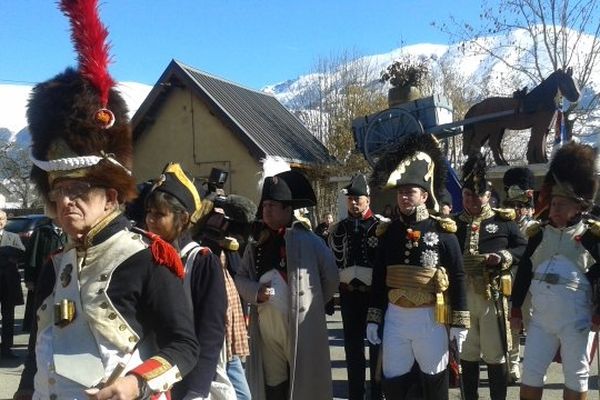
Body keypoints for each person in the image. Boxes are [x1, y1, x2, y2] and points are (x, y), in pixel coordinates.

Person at [13, 2, 199, 398]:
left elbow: (184, 346)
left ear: (111, 195)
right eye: (59, 191)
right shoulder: (54, 265)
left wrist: (136, 383)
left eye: (79, 191)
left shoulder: (149, 259)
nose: (66, 202)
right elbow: (37, 355)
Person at [366, 133, 470, 400]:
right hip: (396, 318)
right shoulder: (387, 233)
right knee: (394, 383)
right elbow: (379, 279)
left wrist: (460, 321)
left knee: (435, 384)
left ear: (424, 195)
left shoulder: (443, 232)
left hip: (430, 319)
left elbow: (457, 276)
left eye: (410, 192)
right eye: (400, 193)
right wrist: (374, 317)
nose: (404, 198)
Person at [235, 169, 339, 400]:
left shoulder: (310, 241)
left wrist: (310, 306)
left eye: (273, 205)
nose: (267, 210)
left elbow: (331, 278)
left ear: (287, 209)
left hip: (300, 325)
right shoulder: (256, 244)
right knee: (273, 383)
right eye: (265, 205)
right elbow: (240, 278)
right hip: (266, 326)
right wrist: (255, 292)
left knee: (302, 384)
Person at [511, 142, 600, 400]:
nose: (554, 209)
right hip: (540, 322)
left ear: (579, 208)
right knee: (531, 373)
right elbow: (525, 273)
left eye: (561, 205)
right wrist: (516, 308)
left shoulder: (592, 238)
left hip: (578, 323)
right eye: (553, 204)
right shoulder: (538, 236)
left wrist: (598, 313)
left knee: (576, 375)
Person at [145, 163, 231, 400]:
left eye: (160, 214)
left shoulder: (201, 262)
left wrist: (196, 390)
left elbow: (211, 331)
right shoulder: (143, 257)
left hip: (187, 377)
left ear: (182, 219)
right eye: (149, 212)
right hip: (148, 373)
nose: (150, 220)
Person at [454, 154, 527, 400]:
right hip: (462, 298)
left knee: (495, 355)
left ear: (488, 195)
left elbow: (523, 248)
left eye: (478, 195)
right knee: (467, 353)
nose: (472, 200)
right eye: (467, 195)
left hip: (491, 296)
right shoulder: (452, 224)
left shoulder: (502, 221)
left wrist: (503, 257)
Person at [328, 174, 382, 400]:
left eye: (358, 199)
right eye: (350, 199)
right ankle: (355, 395)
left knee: (377, 348)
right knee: (352, 349)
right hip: (349, 296)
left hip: (373, 296)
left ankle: (378, 393)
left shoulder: (380, 227)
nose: (354, 203)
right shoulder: (337, 229)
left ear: (368, 200)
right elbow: (332, 263)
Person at [502, 166, 536, 383]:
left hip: (530, 285)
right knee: (509, 325)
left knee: (532, 325)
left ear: (528, 208)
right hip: (506, 280)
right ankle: (513, 365)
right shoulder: (503, 226)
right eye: (513, 205)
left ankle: (532, 362)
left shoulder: (536, 228)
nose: (516, 209)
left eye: (521, 206)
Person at [22, 217, 67, 333]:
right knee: (39, 314)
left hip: (63, 279)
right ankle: (34, 348)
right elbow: (31, 255)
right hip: (42, 279)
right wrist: (29, 279)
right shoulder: (41, 232)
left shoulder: (69, 231)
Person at [0, 210, 26, 359]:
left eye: (2, 219)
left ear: (6, 221)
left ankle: (6, 348)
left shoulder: (13, 237)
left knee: (8, 317)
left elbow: (22, 253)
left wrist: (11, 257)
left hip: (9, 284)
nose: (0, 221)